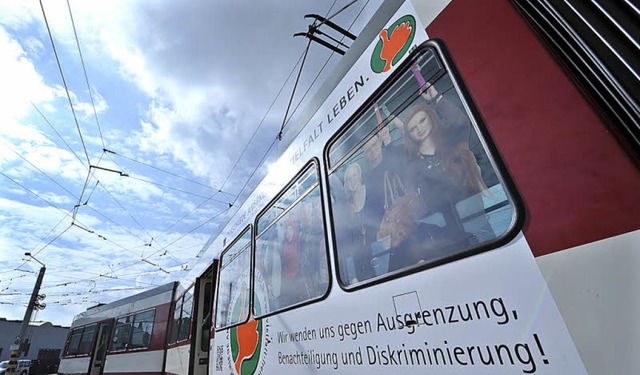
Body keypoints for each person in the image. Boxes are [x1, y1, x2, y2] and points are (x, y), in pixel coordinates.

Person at [393, 100, 491, 270]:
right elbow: (416, 206)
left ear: (431, 117)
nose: (419, 129)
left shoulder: (450, 143)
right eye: (413, 129)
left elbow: (461, 122)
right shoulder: (412, 166)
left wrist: (438, 99)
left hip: (478, 225)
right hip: (447, 239)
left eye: (422, 121)